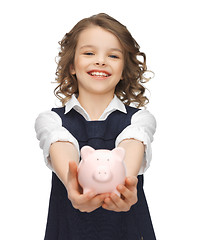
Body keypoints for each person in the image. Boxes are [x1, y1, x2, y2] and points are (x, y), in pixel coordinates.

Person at [35, 13, 157, 240]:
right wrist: (73, 184)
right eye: (89, 53)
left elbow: (130, 145)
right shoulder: (51, 120)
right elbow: (61, 143)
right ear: (72, 66)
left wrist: (122, 187)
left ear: (123, 70)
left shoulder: (140, 120)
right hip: (70, 232)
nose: (100, 60)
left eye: (113, 55)